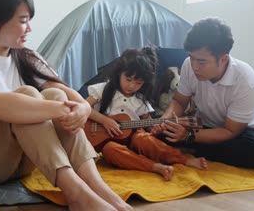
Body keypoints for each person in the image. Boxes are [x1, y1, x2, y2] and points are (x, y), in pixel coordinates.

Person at [0, 0, 132, 211]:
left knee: (54, 93)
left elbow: (69, 96)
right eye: (23, 20)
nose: (29, 29)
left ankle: (100, 189)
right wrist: (59, 110)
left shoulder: (26, 57)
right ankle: (76, 194)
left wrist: (83, 109)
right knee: (27, 97)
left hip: (19, 163)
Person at [151, 17, 254, 169]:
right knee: (157, 130)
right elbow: (179, 101)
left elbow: (230, 131)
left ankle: (192, 148)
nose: (195, 67)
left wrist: (188, 136)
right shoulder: (189, 65)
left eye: (202, 62)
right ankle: (194, 147)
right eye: (191, 58)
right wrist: (165, 120)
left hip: (238, 134)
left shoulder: (245, 79)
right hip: (204, 127)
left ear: (223, 59)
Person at [85, 47, 207, 181]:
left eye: (138, 83)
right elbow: (83, 107)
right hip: (107, 142)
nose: (132, 86)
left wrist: (155, 128)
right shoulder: (104, 89)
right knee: (110, 150)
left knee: (144, 139)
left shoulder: (140, 99)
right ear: (119, 73)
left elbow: (148, 125)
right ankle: (155, 167)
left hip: (134, 137)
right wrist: (104, 120)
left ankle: (183, 159)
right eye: (128, 79)